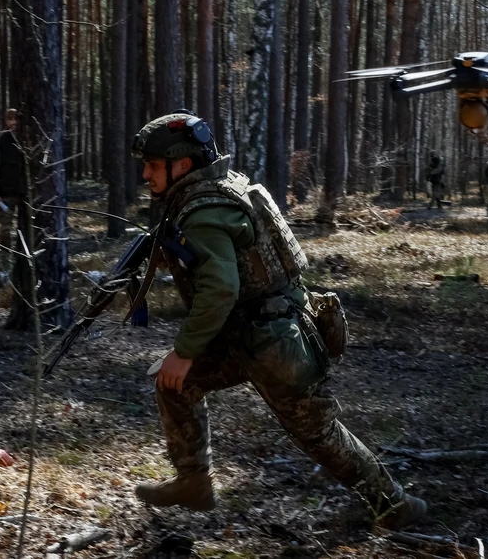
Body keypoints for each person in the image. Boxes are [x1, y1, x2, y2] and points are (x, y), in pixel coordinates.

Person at [130, 112, 427, 530]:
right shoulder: (214, 190)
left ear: (183, 165)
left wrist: (184, 351)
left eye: (153, 165)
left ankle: (393, 504)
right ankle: (193, 481)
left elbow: (219, 290)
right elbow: (226, 263)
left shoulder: (204, 210)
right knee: (174, 383)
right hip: (242, 331)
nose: (145, 173)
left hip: (273, 340)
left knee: (317, 433)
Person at [0, 109, 26, 265]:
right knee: (5, 228)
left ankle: (24, 260)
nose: (13, 122)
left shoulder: (27, 141)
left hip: (24, 194)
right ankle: (5, 261)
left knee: (27, 228)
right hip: (5, 194)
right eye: (10, 119)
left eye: (15, 119)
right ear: (5, 121)